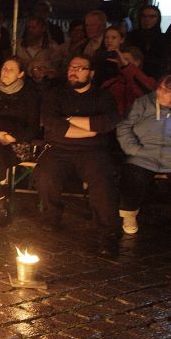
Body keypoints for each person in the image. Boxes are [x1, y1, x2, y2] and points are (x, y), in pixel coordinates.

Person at [36, 55, 120, 252]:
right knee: (44, 174)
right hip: (59, 148)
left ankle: (106, 230)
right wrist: (89, 129)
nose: (73, 71)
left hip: (92, 150)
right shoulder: (55, 94)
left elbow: (107, 122)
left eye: (79, 68)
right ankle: (52, 215)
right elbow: (52, 123)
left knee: (103, 179)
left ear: (91, 73)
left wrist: (69, 118)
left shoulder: (102, 96)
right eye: (71, 67)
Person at [0, 57, 41, 225]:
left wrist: (13, 137)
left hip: (18, 143)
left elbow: (33, 127)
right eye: (4, 68)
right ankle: (2, 202)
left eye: (11, 69)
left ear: (20, 74)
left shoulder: (30, 94)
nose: (5, 72)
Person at [116, 74, 171, 236]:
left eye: (166, 91)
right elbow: (124, 126)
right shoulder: (144, 103)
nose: (159, 92)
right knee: (132, 177)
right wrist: (134, 149)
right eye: (160, 87)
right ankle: (129, 214)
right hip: (143, 154)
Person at [102, 47, 157, 118]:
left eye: (126, 59)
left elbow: (148, 92)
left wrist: (127, 66)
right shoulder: (110, 83)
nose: (121, 62)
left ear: (137, 62)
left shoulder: (148, 81)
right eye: (119, 59)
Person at [126, 5, 164, 78]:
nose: (147, 19)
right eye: (144, 16)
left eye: (152, 16)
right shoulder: (130, 36)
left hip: (157, 77)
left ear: (158, 19)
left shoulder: (165, 39)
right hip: (132, 75)